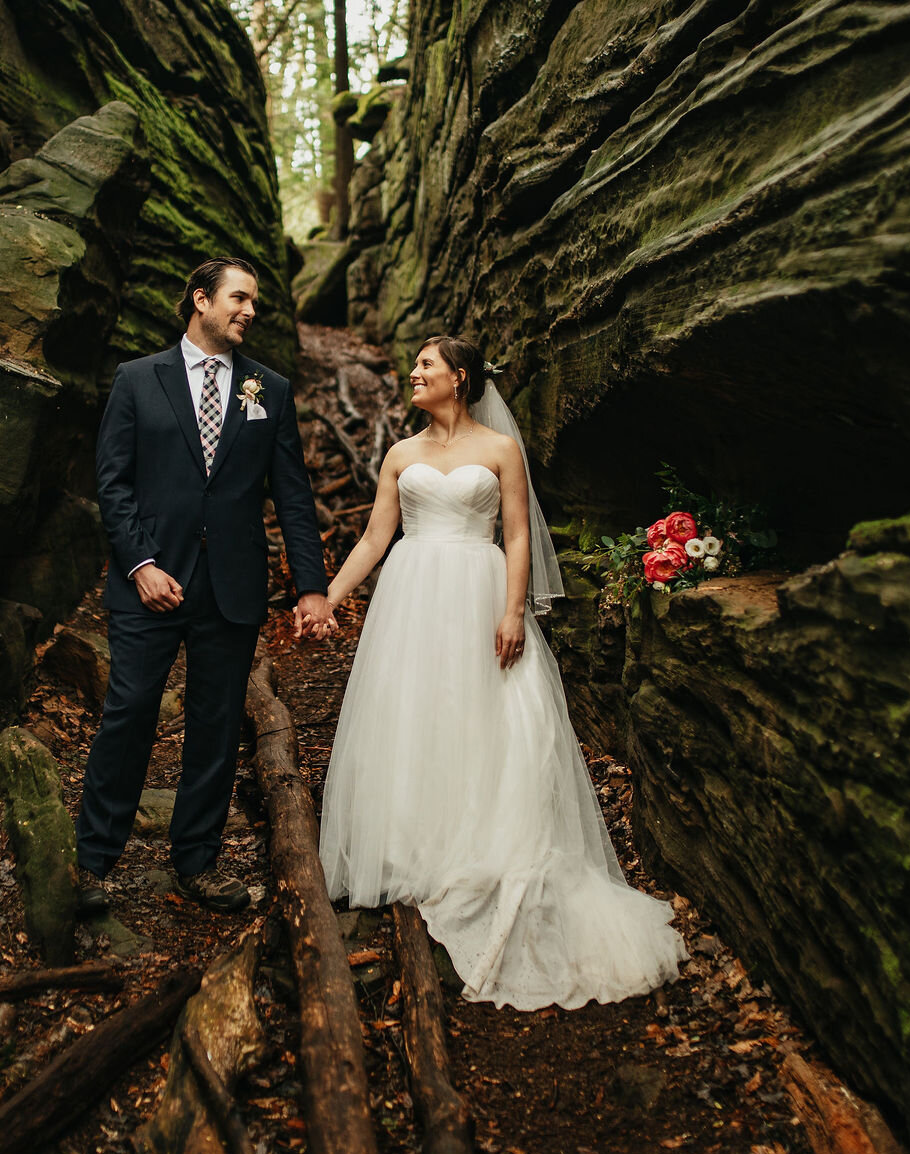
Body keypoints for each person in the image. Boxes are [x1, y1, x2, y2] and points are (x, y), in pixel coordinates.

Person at [316, 334, 689, 1008]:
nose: (414, 373)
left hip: (480, 590)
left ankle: (486, 840)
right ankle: (414, 841)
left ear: (458, 378)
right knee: (416, 710)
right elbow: (376, 536)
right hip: (412, 595)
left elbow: (516, 534)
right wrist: (328, 597)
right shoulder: (401, 454)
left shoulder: (499, 449)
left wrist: (513, 610)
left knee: (484, 713)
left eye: (426, 365)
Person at [77, 257, 335, 913]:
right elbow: (113, 482)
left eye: (254, 303)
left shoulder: (268, 390)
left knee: (216, 727)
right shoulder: (138, 380)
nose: (249, 311)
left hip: (232, 587)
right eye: (239, 298)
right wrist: (139, 563)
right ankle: (95, 863)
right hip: (149, 584)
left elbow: (294, 498)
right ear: (201, 300)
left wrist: (311, 585)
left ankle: (196, 860)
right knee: (130, 714)